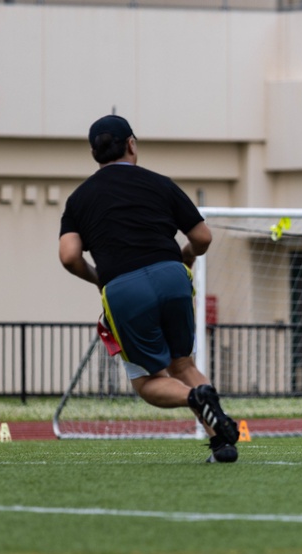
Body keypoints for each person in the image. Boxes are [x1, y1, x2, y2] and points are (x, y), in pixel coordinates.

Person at [59, 115, 239, 463]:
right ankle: (222, 444)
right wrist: (185, 258)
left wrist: (99, 279)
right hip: (172, 275)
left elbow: (68, 256)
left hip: (123, 287)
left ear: (95, 153)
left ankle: (194, 399)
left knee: (147, 381)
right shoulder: (160, 184)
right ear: (131, 144)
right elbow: (202, 237)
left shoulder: (79, 198)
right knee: (183, 364)